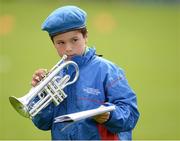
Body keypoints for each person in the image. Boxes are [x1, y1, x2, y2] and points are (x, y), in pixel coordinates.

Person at [31, 5, 140, 140]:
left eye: (74, 40)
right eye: (61, 43)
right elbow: (43, 123)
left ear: (85, 36)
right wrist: (40, 95)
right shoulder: (55, 77)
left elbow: (131, 116)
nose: (68, 48)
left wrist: (109, 115)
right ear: (53, 44)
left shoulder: (107, 70)